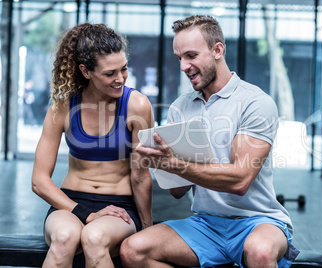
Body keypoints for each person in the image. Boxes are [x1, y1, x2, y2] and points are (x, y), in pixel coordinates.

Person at [120, 15, 299, 268]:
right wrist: (163, 162)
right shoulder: (180, 107)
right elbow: (176, 191)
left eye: (191, 56)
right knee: (133, 250)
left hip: (259, 221)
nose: (183, 66)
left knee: (259, 252)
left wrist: (177, 164)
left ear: (217, 50)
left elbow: (240, 180)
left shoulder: (255, 102)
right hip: (206, 223)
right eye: (179, 58)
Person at [31, 23, 154, 267]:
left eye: (124, 69)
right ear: (86, 71)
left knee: (95, 237)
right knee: (65, 238)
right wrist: (85, 213)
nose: (120, 79)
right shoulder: (63, 107)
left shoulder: (136, 105)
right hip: (70, 203)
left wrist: (147, 227)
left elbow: (140, 176)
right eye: (110, 73)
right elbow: (39, 181)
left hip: (120, 207)